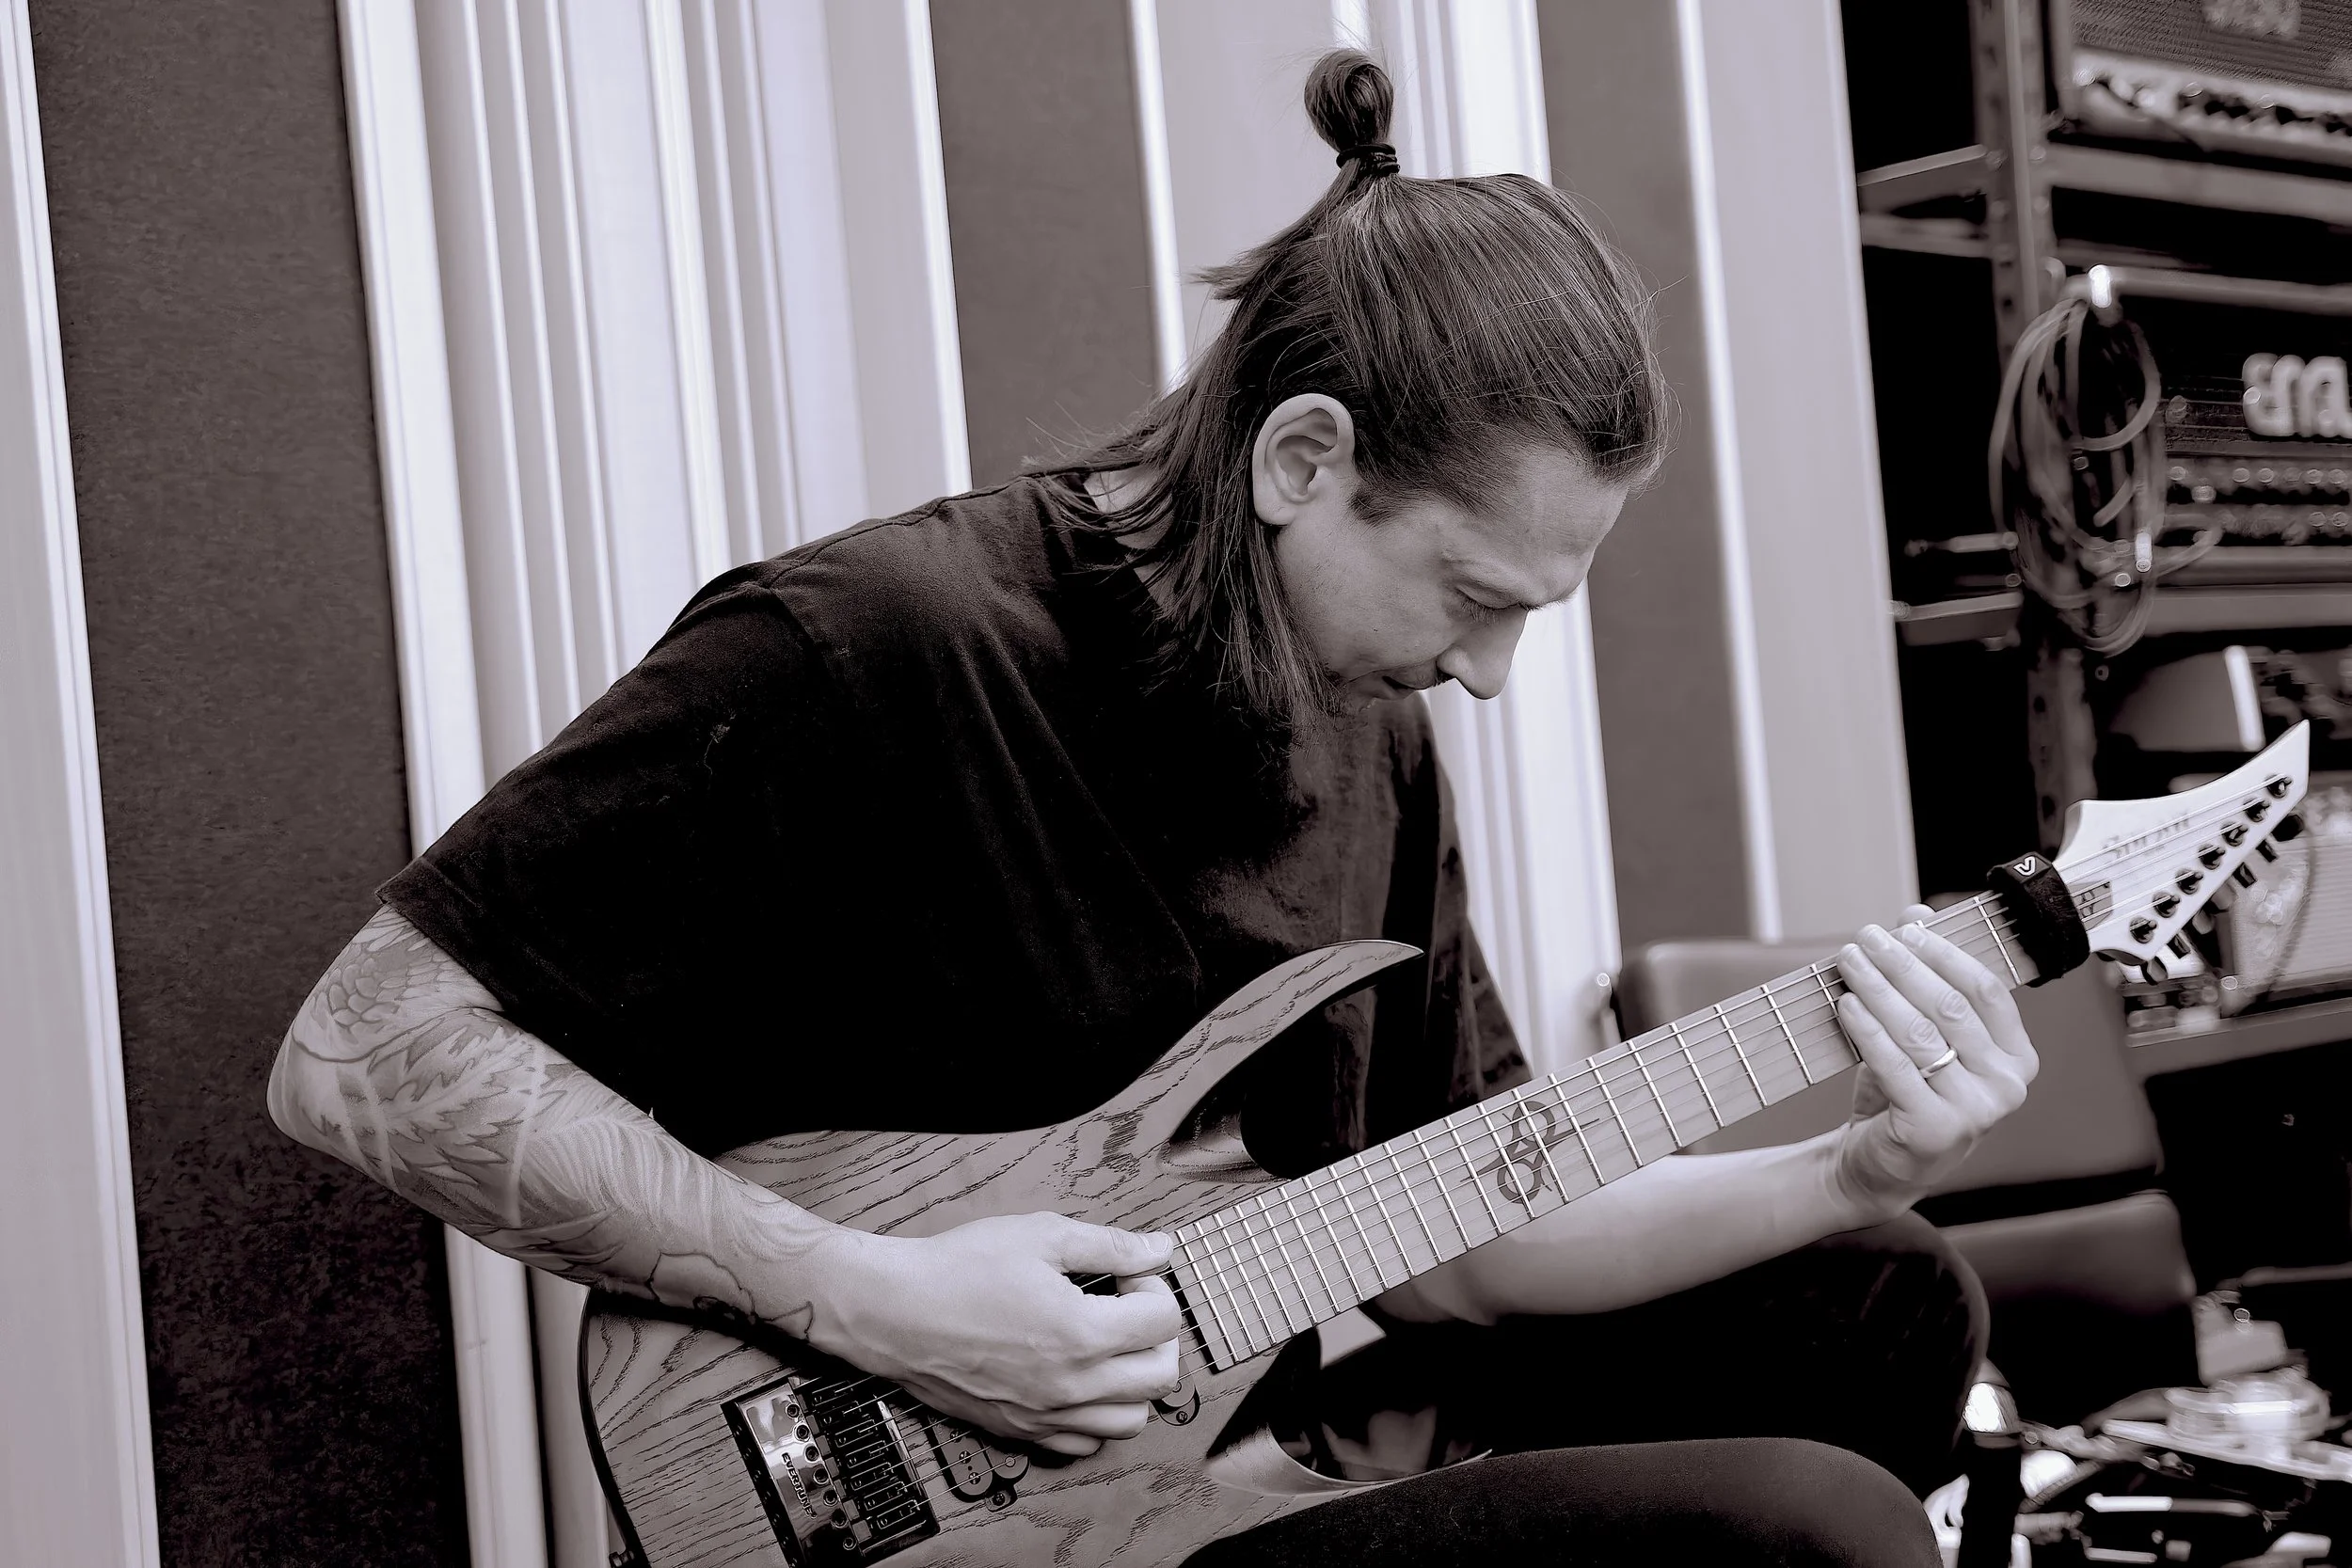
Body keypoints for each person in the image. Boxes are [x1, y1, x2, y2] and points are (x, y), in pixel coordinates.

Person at [269, 51, 2036, 1568]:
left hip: (1207, 1476)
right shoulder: (879, 643)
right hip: (908, 1501)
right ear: (1303, 459)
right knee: (1819, 1532)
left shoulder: (1373, 736)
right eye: (1473, 595)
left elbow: (1455, 1249)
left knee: (1884, 1294)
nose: (1492, 674)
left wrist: (1843, 1162)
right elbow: (364, 1049)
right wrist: (877, 1297)